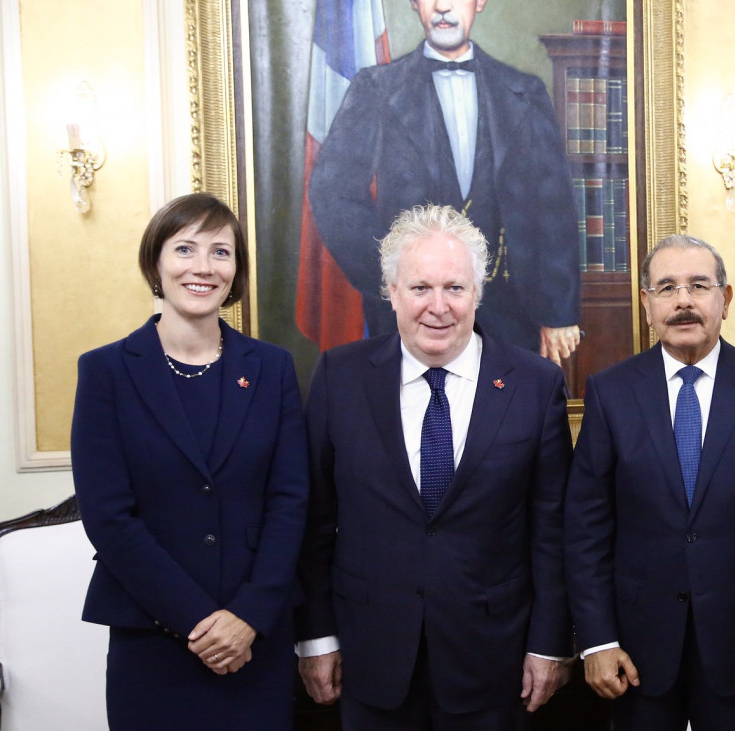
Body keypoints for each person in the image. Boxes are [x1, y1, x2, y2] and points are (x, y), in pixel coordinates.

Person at [295, 204, 573, 729]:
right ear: (392, 293)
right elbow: (313, 523)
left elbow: (553, 531)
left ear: (478, 293)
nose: (438, 307)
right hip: (369, 654)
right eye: (420, 288)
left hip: (496, 660)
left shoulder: (535, 386)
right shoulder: (340, 378)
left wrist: (550, 642)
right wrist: (316, 636)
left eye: (455, 288)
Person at [71, 193, 308, 730]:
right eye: (185, 249)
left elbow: (290, 502)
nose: (203, 267)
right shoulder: (107, 371)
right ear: (156, 262)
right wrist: (200, 622)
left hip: (255, 636)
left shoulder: (271, 368)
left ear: (235, 271)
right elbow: (108, 516)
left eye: (220, 253)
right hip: (151, 636)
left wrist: (247, 616)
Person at [565, 234, 735, 730]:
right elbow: (585, 531)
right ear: (646, 304)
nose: (683, 301)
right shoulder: (610, 393)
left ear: (724, 299)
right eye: (666, 288)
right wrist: (596, 640)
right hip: (634, 652)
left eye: (698, 286)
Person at [308, 0, 581, 363]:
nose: (441, 7)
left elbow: (554, 207)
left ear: (479, 2)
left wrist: (558, 311)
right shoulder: (375, 88)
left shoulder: (525, 92)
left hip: (512, 316)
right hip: (410, 318)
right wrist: (393, 276)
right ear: (414, 3)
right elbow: (332, 192)